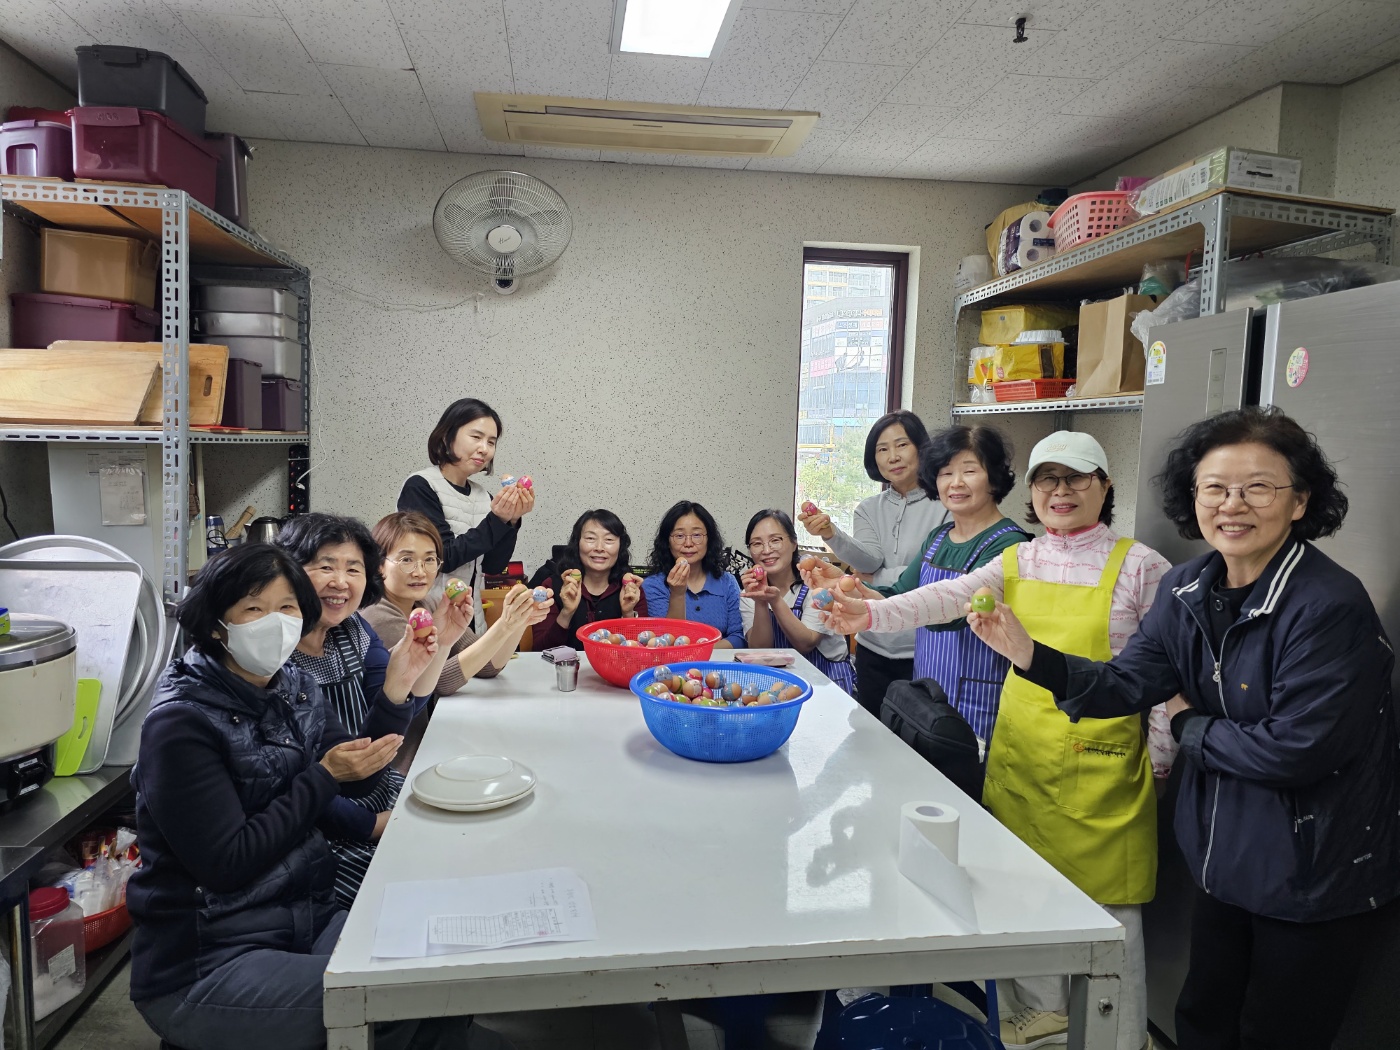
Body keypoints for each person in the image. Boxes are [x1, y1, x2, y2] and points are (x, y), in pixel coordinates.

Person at [966, 408, 1400, 1050]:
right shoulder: (1189, 586)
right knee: (1203, 1020)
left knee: (1278, 1033)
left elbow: (1295, 751)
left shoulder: (1328, 606)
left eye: (1258, 487)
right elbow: (1124, 684)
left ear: (1301, 500)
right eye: (1215, 487)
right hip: (1223, 854)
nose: (1233, 504)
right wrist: (1030, 655)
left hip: (1313, 868)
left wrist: (1189, 724)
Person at [818, 431, 1177, 1050]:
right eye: (1048, 480)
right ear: (1032, 492)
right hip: (1021, 754)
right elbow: (944, 598)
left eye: (1076, 478)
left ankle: (1117, 1037)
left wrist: (1162, 761)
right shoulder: (1021, 560)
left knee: (1110, 917)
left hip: (1103, 766)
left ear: (1105, 486)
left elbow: (1168, 678)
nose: (1061, 492)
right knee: (1021, 895)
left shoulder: (1143, 566)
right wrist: (870, 614)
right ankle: (1037, 1018)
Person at [127, 544, 469, 1050]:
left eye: (287, 607)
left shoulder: (294, 687)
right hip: (208, 958)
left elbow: (359, 780)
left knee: (443, 982)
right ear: (216, 624)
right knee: (392, 1000)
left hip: (305, 918)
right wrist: (323, 777)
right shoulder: (181, 723)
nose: (275, 623)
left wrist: (396, 689)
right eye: (254, 608)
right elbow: (227, 862)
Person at [277, 513, 473, 907]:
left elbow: (397, 712)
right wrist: (371, 825)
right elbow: (289, 780)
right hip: (321, 827)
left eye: (353, 568)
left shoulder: (353, 630)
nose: (341, 582)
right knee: (421, 891)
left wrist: (440, 643)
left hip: (374, 788)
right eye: (326, 567)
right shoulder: (274, 658)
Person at [805, 425, 1029, 742]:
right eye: (945, 473)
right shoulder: (938, 538)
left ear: (994, 476)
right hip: (927, 698)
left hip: (979, 699)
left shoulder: (1009, 543)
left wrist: (866, 612)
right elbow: (898, 594)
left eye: (969, 471)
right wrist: (846, 585)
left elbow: (950, 612)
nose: (956, 483)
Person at [798, 410, 949, 716]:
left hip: (923, 649)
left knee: (921, 735)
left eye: (902, 445)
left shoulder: (945, 505)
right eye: (882, 449)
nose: (893, 456)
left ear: (922, 448)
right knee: (869, 733)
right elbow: (869, 558)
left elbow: (933, 576)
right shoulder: (868, 508)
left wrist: (872, 578)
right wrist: (830, 532)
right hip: (872, 644)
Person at [363, 511, 546, 690]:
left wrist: (519, 621)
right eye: (406, 560)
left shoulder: (431, 604)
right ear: (378, 564)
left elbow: (488, 665)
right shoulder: (377, 615)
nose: (420, 572)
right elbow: (432, 684)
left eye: (429, 559)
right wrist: (504, 625)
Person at [397, 398, 533, 614]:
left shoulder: (484, 497)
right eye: (476, 437)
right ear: (446, 436)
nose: (484, 449)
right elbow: (443, 558)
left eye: (491, 442)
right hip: (427, 616)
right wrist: (497, 519)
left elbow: (493, 567)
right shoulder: (421, 486)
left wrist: (511, 520)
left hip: (472, 617)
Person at [739, 509, 856, 694]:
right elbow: (760, 650)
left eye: (775, 540)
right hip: (777, 684)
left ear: (794, 543)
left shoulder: (817, 584)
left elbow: (806, 643)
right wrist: (761, 601)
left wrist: (775, 601)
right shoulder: (749, 593)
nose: (766, 550)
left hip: (826, 682)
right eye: (757, 543)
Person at [531, 509, 647, 650]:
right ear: (577, 543)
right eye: (591, 538)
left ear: (620, 546)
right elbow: (539, 651)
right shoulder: (552, 587)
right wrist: (566, 613)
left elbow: (642, 650)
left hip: (612, 664)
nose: (599, 548)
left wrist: (628, 613)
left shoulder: (631, 590)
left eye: (609, 540)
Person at [641, 501, 745, 648]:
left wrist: (702, 652)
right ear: (667, 541)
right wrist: (677, 594)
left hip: (718, 660)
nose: (688, 543)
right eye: (679, 535)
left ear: (709, 539)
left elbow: (739, 637)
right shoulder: (653, 586)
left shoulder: (727, 582)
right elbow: (666, 642)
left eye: (697, 535)